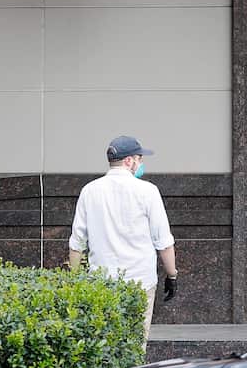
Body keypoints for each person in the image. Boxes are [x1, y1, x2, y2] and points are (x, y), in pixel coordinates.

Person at [68, 135, 178, 343]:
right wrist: (171, 275)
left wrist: (75, 282)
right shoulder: (148, 191)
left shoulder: (89, 191)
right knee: (136, 344)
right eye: (139, 159)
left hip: (101, 283)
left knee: (105, 344)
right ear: (129, 161)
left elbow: (77, 244)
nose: (141, 163)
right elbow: (163, 241)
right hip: (140, 282)